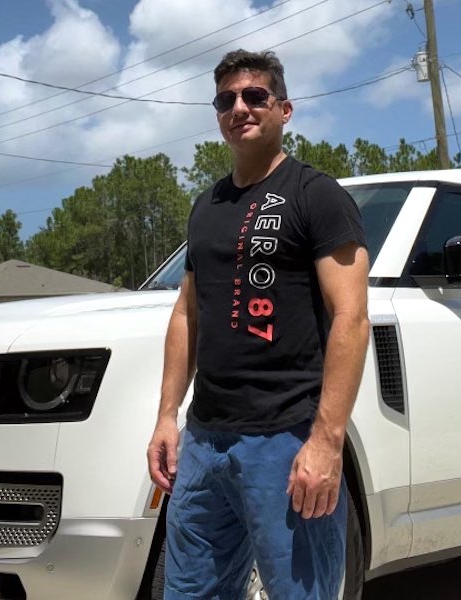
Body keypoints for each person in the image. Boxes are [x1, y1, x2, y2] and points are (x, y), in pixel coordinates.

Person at [147, 49, 369, 600]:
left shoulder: (316, 195)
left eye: (254, 96)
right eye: (226, 99)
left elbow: (352, 318)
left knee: (302, 592)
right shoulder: (206, 206)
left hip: (285, 437)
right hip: (204, 442)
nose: (239, 107)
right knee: (191, 591)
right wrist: (167, 417)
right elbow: (187, 313)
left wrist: (325, 442)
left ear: (284, 109)